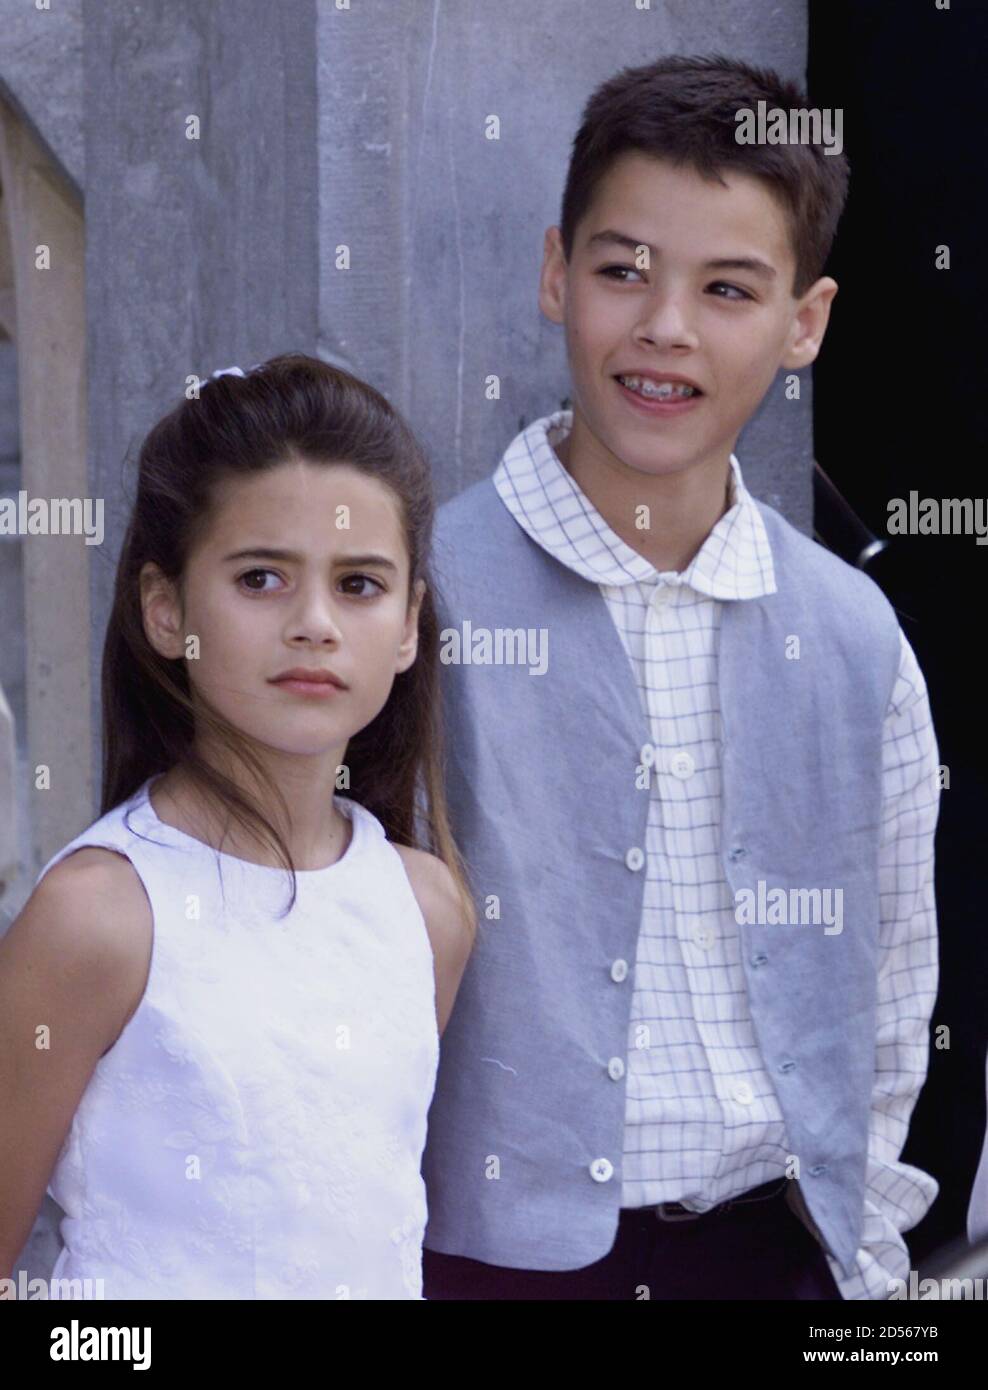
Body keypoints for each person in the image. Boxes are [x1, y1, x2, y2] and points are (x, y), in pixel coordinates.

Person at [420, 54, 941, 1300]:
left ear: (803, 322)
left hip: (777, 1255)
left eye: (726, 288)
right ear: (556, 274)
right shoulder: (417, 593)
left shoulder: (854, 633)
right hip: (493, 1263)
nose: (664, 326)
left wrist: (863, 1268)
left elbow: (889, 994)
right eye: (622, 271)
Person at [0, 354, 475, 1300]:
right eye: (261, 578)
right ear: (166, 607)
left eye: (360, 584)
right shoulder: (99, 916)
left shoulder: (427, 908)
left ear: (413, 622)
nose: (314, 624)